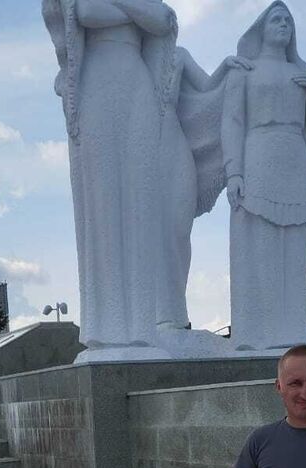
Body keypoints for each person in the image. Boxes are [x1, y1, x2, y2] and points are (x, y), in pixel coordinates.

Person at [42, 0, 177, 359]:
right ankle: (108, 327)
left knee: (140, 207)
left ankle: (141, 328)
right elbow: (87, 13)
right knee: (103, 206)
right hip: (97, 85)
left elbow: (162, 21)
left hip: (137, 86)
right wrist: (136, 12)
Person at [221, 2, 306, 351]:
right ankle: (259, 331)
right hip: (259, 154)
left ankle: (294, 328)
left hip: (293, 157)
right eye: (276, 20)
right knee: (261, 244)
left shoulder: (303, 71)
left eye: (288, 21)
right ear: (262, 29)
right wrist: (234, 171)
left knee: (294, 248)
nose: (284, 24)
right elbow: (232, 121)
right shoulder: (246, 70)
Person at [157, 48, 252, 331]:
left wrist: (224, 68)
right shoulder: (133, 58)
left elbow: (208, 87)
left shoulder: (177, 55)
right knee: (152, 235)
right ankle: (157, 314)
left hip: (174, 145)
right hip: (142, 148)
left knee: (178, 229)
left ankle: (175, 311)